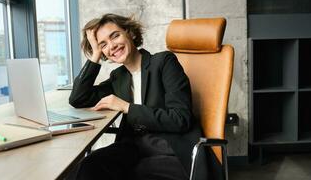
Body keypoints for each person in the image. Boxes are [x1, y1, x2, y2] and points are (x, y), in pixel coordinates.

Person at [69, 13, 209, 180]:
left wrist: (126, 107)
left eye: (115, 36)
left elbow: (181, 119)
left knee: (125, 174)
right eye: (103, 44)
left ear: (131, 33)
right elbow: (78, 98)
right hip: (134, 148)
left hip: (171, 150)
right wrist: (95, 55)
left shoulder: (164, 62)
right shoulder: (118, 77)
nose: (112, 46)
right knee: (87, 166)